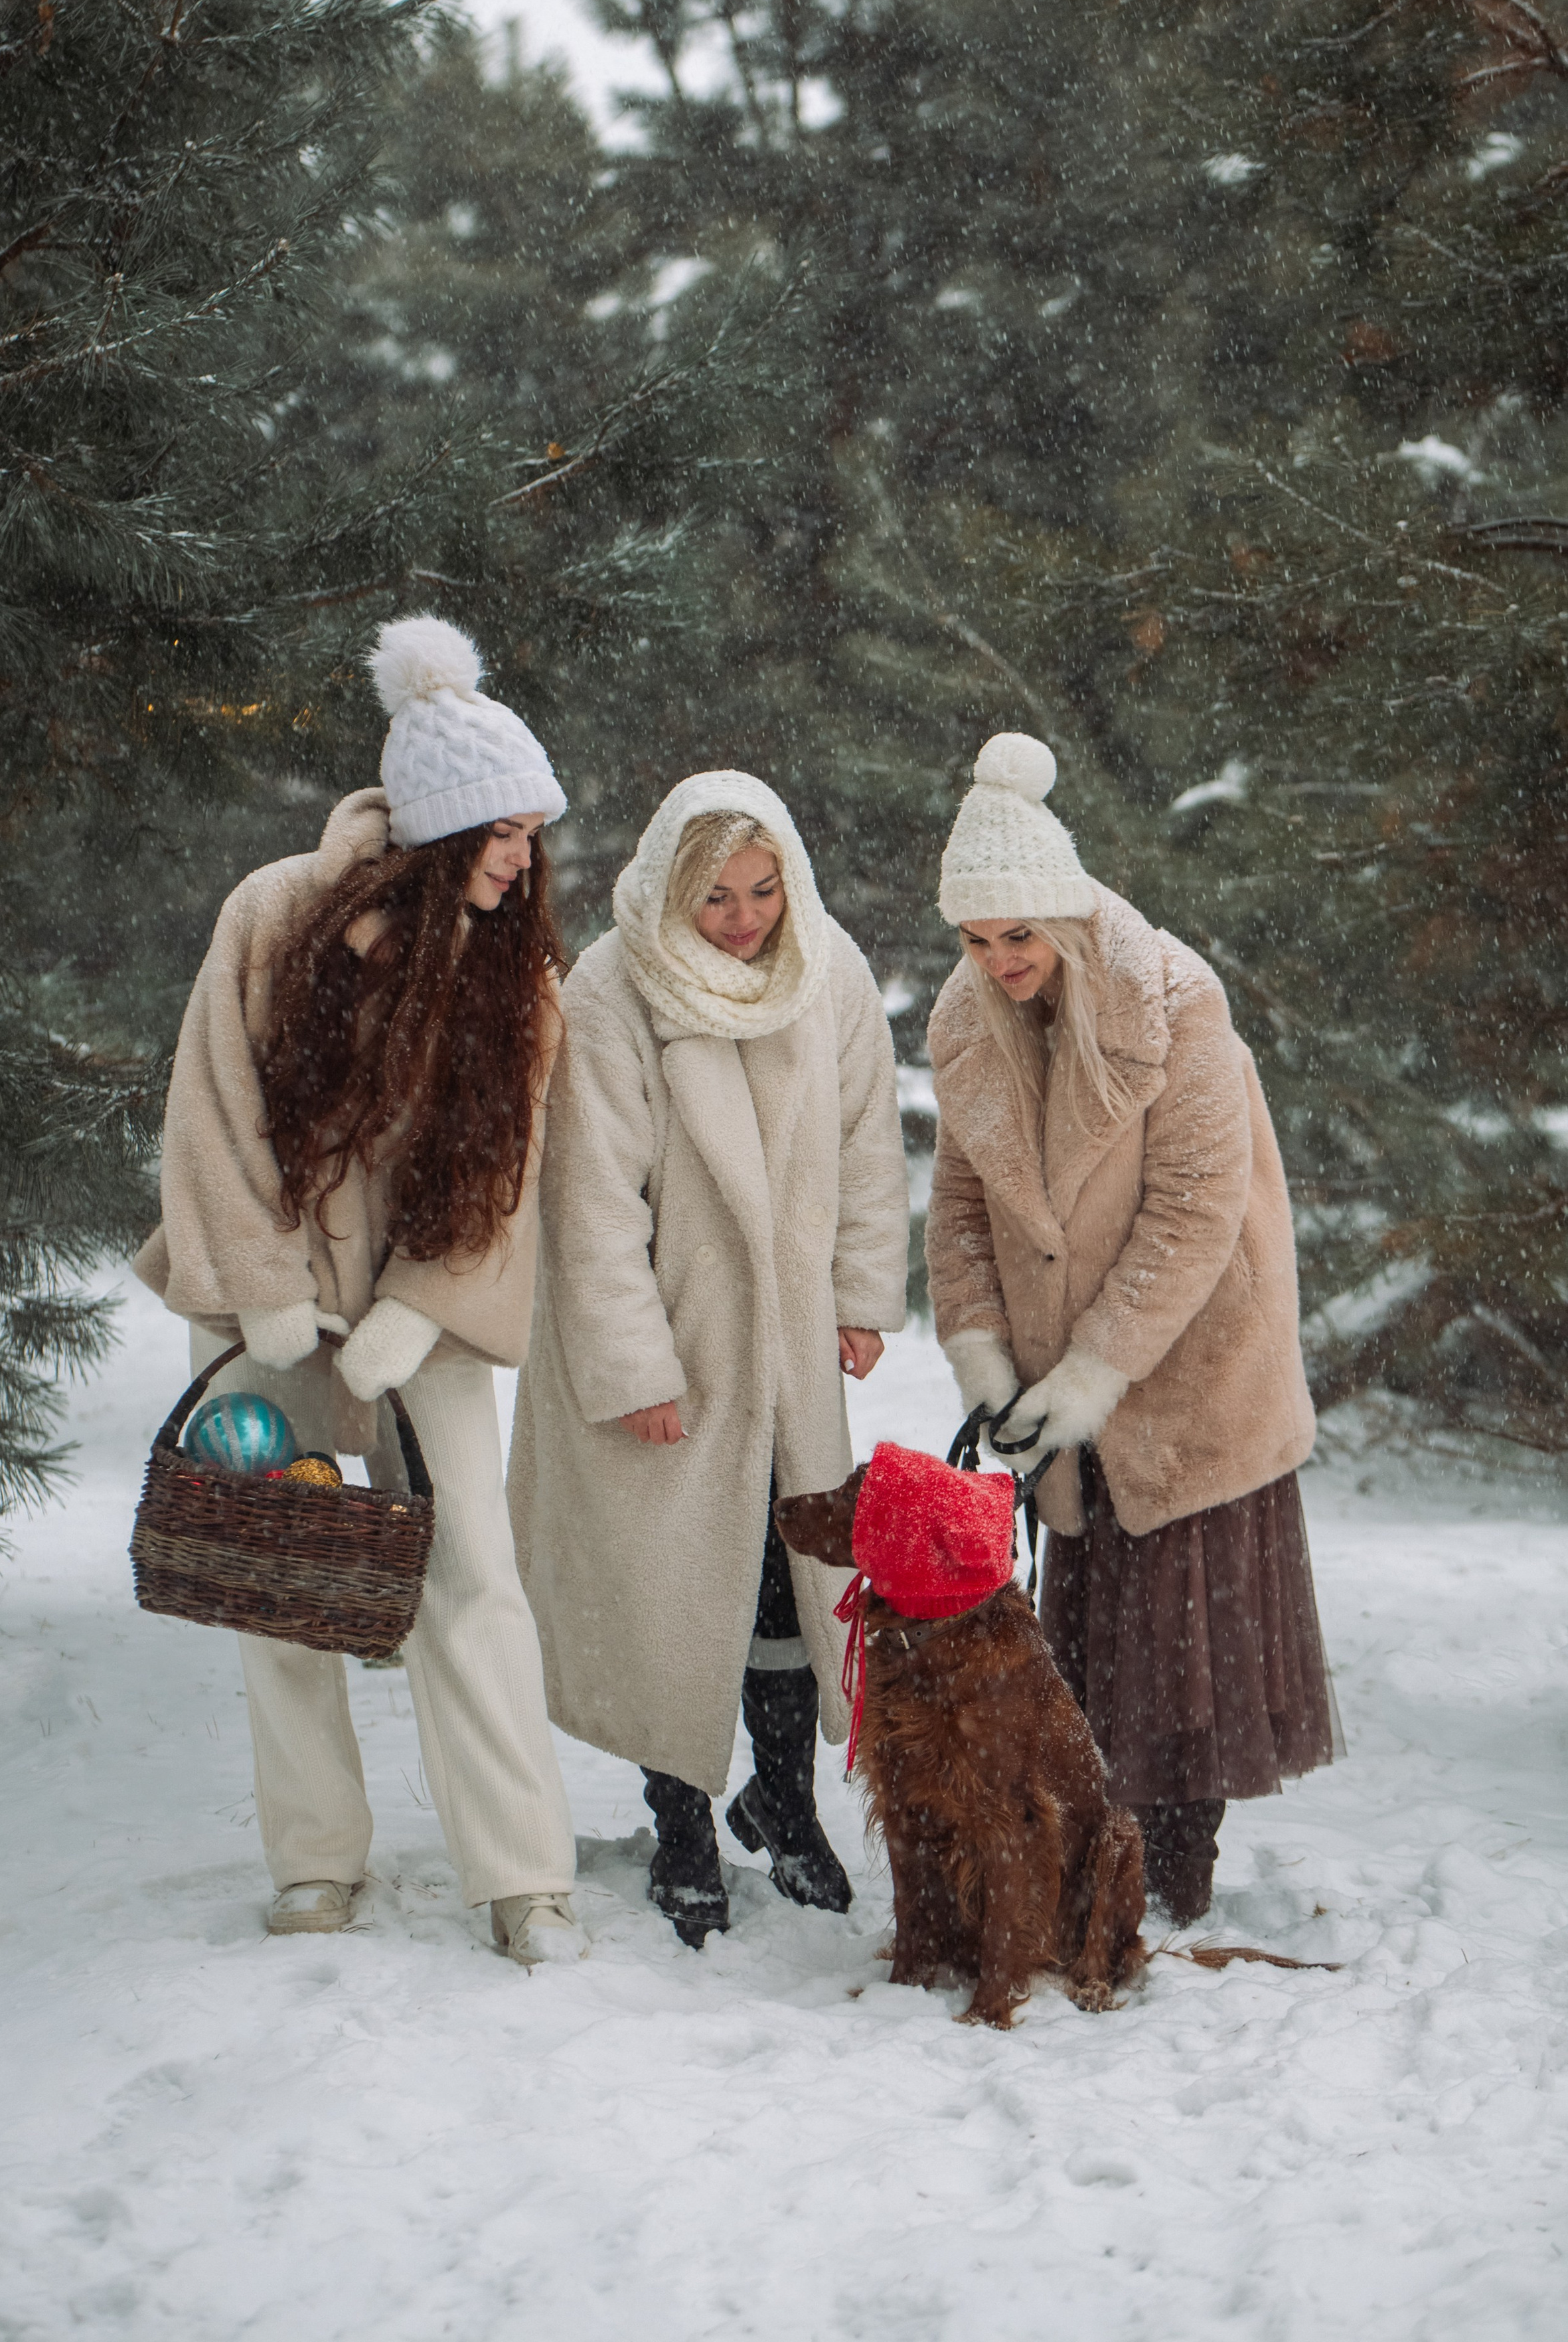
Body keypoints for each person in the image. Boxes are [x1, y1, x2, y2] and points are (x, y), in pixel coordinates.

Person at [133, 618, 583, 1962]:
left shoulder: (517, 976)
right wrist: (266, 1291)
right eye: (503, 831)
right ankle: (315, 1860)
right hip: (270, 1305)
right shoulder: (274, 914)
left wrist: (415, 1311)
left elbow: (506, 1171)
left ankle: (521, 1877)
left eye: (531, 833)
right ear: (440, 828)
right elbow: (209, 1111)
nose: (522, 857)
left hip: (421, 1320)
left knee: (472, 1577)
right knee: (274, 1570)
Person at [925, 732, 1340, 1925]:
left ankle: (1171, 1880)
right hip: (1063, 1372)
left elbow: (1196, 1208)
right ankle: (1105, 1858)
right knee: (1100, 1644)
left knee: (1182, 1645)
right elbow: (959, 1206)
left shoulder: (1175, 995)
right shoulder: (968, 1020)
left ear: (1063, 910)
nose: (999, 960)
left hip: (1197, 1356)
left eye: (1018, 934)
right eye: (975, 939)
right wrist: (985, 1356)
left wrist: (1095, 1372)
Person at [507, 772, 909, 1945]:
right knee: (673, 1594)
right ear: (672, 890)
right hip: (675, 1342)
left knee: (789, 1575)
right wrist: (636, 1366)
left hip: (790, 1344)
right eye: (716, 897)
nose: (743, 920)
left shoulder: (826, 971)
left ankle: (782, 1801)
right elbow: (592, 1202)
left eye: (762, 890)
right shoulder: (614, 987)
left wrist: (861, 1294)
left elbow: (867, 1142)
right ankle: (680, 1820)